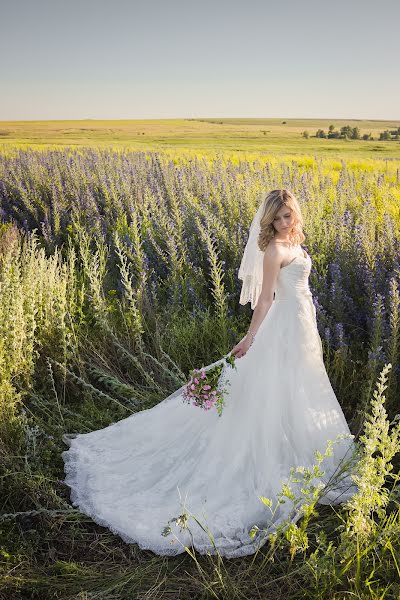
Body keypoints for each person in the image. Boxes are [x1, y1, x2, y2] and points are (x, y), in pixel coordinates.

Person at [62, 189, 359, 559]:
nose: (286, 221)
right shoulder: (274, 251)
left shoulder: (295, 242)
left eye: (290, 215)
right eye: (280, 217)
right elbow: (265, 299)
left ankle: (296, 446)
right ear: (269, 220)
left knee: (300, 388)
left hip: (301, 326)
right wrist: (250, 338)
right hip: (282, 326)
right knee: (270, 388)